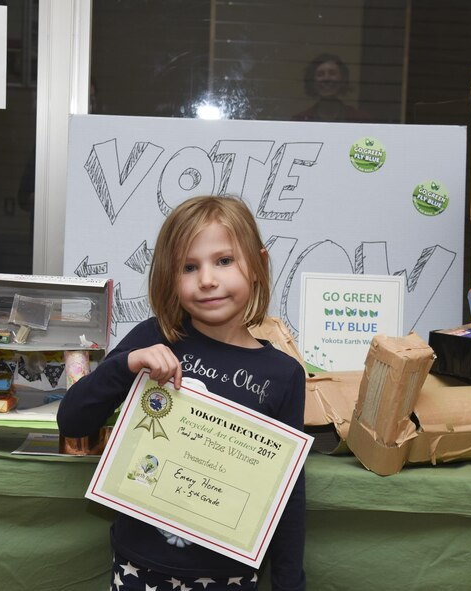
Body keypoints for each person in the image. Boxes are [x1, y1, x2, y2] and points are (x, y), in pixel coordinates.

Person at [57, 195, 306, 591]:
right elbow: (72, 421)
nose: (206, 279)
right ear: (169, 277)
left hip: (231, 575)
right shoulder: (153, 338)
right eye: (189, 267)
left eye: (224, 261)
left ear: (259, 263)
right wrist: (126, 364)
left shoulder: (284, 374)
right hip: (139, 568)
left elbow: (288, 494)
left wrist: (289, 584)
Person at [292, 53, 370, 123]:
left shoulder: (360, 119)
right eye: (320, 74)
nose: (326, 79)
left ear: (343, 79)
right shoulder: (300, 121)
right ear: (312, 82)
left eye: (332, 73)